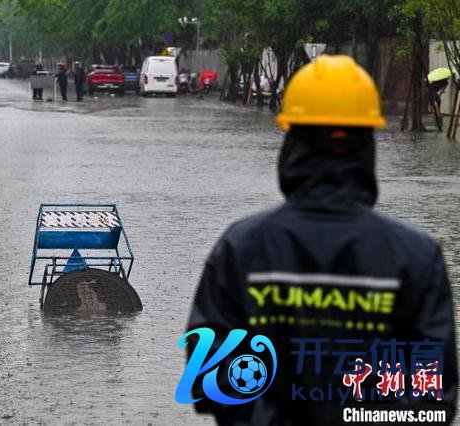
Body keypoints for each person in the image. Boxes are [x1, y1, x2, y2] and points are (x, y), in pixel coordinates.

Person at [185, 55, 457, 425]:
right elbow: (432, 398)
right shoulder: (416, 257)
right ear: (367, 143)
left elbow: (210, 381)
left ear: (292, 140)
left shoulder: (242, 248)